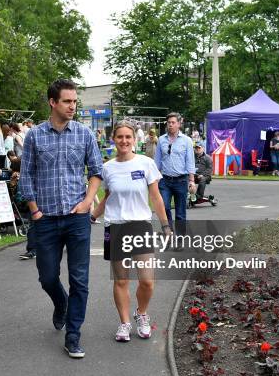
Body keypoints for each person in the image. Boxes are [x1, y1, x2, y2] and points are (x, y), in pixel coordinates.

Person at [20, 79, 103, 359]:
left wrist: (88, 202)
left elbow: (96, 170)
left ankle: (73, 334)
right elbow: (27, 175)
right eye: (67, 101)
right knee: (47, 277)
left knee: (80, 279)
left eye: (75, 101)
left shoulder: (84, 134)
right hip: (45, 219)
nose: (72, 106)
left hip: (77, 217)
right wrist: (35, 210)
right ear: (52, 102)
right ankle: (61, 304)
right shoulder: (34, 136)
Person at [91, 121, 171, 342]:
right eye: (120, 137)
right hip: (115, 227)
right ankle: (124, 322)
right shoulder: (107, 168)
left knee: (147, 281)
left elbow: (156, 197)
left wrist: (165, 225)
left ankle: (141, 313)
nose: (124, 141)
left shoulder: (146, 164)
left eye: (128, 137)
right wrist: (92, 216)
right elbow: (108, 197)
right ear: (113, 140)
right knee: (121, 281)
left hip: (141, 226)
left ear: (134, 140)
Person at [154, 112, 195, 227]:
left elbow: (190, 161)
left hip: (181, 181)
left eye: (173, 122)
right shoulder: (161, 140)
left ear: (179, 124)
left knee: (180, 213)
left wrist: (191, 181)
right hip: (165, 181)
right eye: (169, 123)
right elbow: (157, 161)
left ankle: (180, 239)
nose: (170, 125)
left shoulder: (186, 140)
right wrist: (154, 179)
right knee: (164, 206)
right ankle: (169, 233)